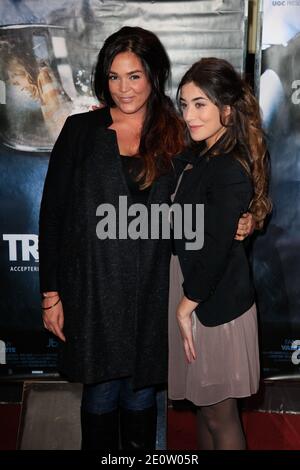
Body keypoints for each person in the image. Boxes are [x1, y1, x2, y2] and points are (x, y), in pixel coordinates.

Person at [39, 27, 252, 451]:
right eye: (115, 77)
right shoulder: (80, 131)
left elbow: (218, 186)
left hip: (156, 290)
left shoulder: (179, 132)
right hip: (95, 291)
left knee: (141, 393)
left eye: (134, 76)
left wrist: (246, 219)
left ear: (153, 76)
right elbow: (53, 216)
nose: (124, 88)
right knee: (100, 394)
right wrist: (51, 294)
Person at [168, 58, 272, 450]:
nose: (189, 115)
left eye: (200, 104)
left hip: (212, 303)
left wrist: (184, 306)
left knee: (219, 414)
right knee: (203, 408)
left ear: (226, 110)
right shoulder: (198, 157)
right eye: (184, 104)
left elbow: (214, 252)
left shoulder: (226, 167)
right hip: (195, 292)